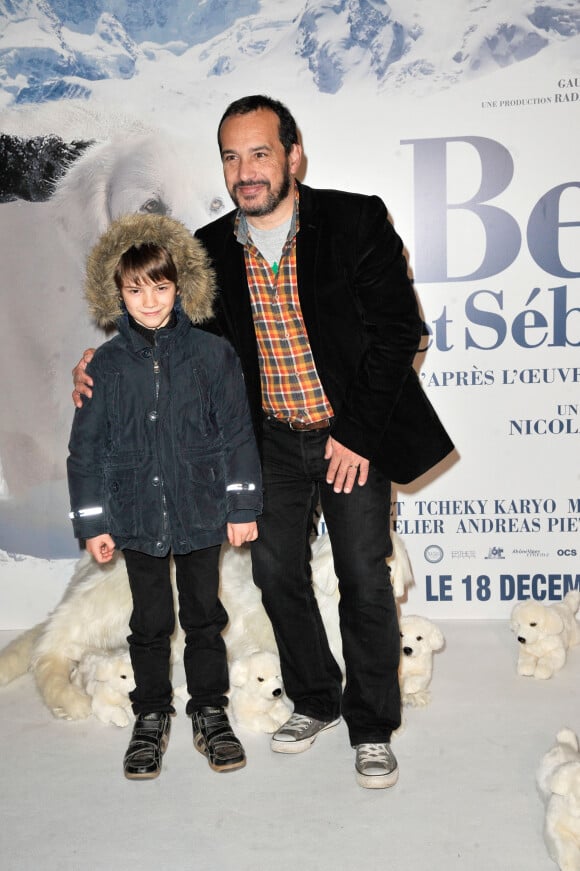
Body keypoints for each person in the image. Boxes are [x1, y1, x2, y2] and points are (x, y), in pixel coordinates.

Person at [73, 95, 454, 789]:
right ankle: (315, 699)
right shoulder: (208, 249)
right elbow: (164, 328)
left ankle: (371, 725)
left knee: (365, 576)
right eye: (230, 155)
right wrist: (95, 361)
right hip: (269, 441)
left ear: (293, 156)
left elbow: (402, 331)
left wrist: (356, 433)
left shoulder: (354, 219)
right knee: (277, 573)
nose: (244, 170)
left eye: (259, 153)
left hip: (351, 435)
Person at [68, 212, 262, 781]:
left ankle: (209, 710)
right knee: (150, 623)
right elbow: (85, 451)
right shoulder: (104, 366)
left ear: (180, 286)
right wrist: (94, 521)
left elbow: (236, 434)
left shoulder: (212, 355)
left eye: (160, 286)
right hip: (136, 516)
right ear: (117, 292)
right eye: (135, 288)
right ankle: (151, 715)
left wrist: (243, 505)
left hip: (201, 513)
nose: (149, 300)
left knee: (204, 617)